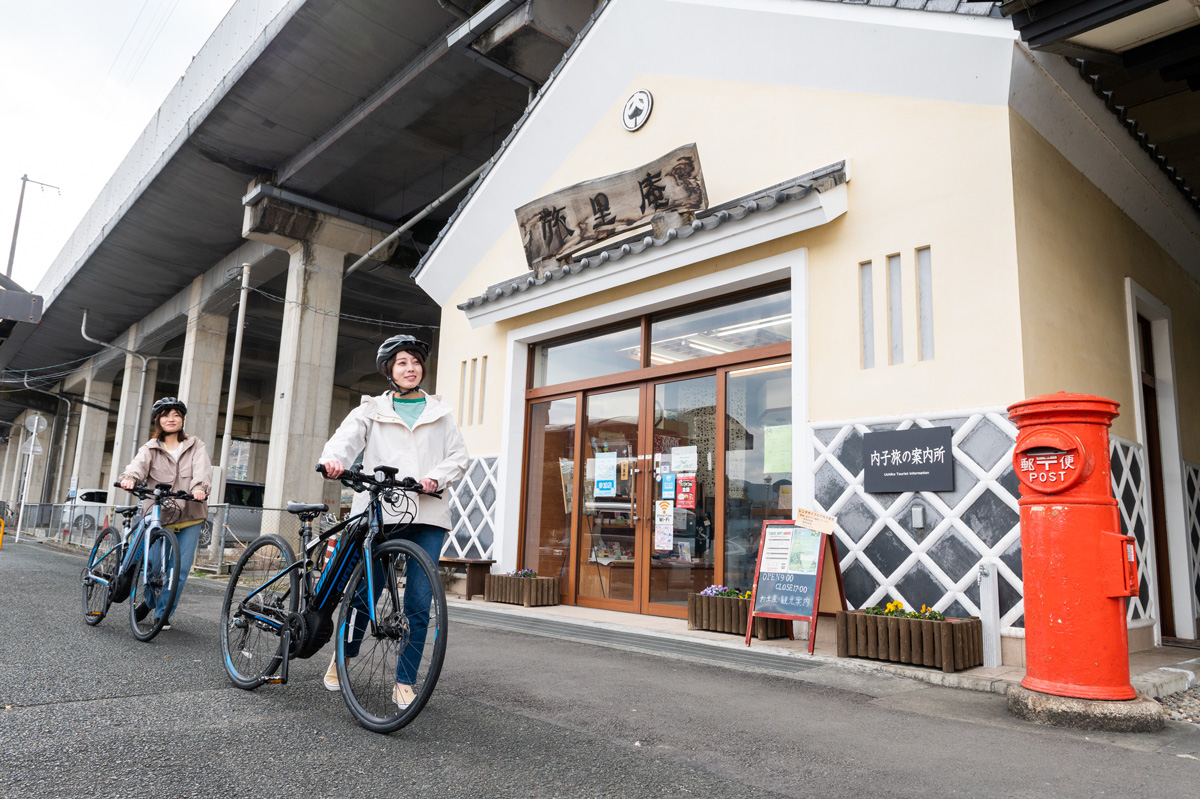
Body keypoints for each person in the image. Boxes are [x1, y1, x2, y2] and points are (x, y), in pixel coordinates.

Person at [318, 333, 469, 709]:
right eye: (402, 362)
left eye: (415, 361)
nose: (410, 368)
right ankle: (343, 656)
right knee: (366, 595)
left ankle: (405, 679)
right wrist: (335, 461)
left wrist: (437, 476)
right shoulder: (370, 409)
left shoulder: (440, 412)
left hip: (428, 512)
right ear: (389, 370)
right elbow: (343, 441)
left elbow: (459, 456)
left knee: (419, 599)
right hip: (379, 511)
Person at [118, 397, 213, 630]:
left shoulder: (195, 445)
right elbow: (137, 467)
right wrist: (129, 478)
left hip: (190, 513)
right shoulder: (150, 448)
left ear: (182, 419)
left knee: (178, 570)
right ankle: (150, 602)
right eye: (166, 415)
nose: (171, 419)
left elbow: (203, 469)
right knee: (153, 566)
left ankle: (163, 613)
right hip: (158, 513)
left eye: (176, 415)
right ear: (158, 420)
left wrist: (199, 487)